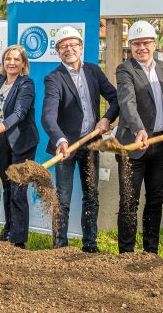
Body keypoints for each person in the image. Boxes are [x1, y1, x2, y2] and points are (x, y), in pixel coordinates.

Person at [41, 26, 119, 252]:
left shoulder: (94, 72)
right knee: (62, 199)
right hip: (66, 147)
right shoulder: (54, 78)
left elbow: (115, 98)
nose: (69, 49)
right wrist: (60, 140)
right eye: (63, 46)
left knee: (91, 196)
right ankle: (60, 247)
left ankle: (90, 246)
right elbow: (48, 116)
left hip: (91, 143)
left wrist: (106, 119)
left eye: (73, 45)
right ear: (57, 52)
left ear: (81, 47)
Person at [114, 20, 163, 255]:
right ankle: (126, 253)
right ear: (130, 46)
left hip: (160, 145)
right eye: (136, 43)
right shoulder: (125, 70)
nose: (141, 47)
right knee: (129, 202)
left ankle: (150, 252)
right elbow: (127, 102)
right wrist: (138, 129)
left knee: (155, 200)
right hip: (133, 144)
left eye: (146, 43)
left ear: (154, 44)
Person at [0, 45, 38, 249]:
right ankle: (9, 229)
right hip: (4, 141)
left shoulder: (26, 84)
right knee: (6, 187)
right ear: (3, 62)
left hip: (23, 142)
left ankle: (18, 240)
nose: (11, 63)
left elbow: (18, 114)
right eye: (8, 59)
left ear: (23, 64)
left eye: (16, 59)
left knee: (18, 189)